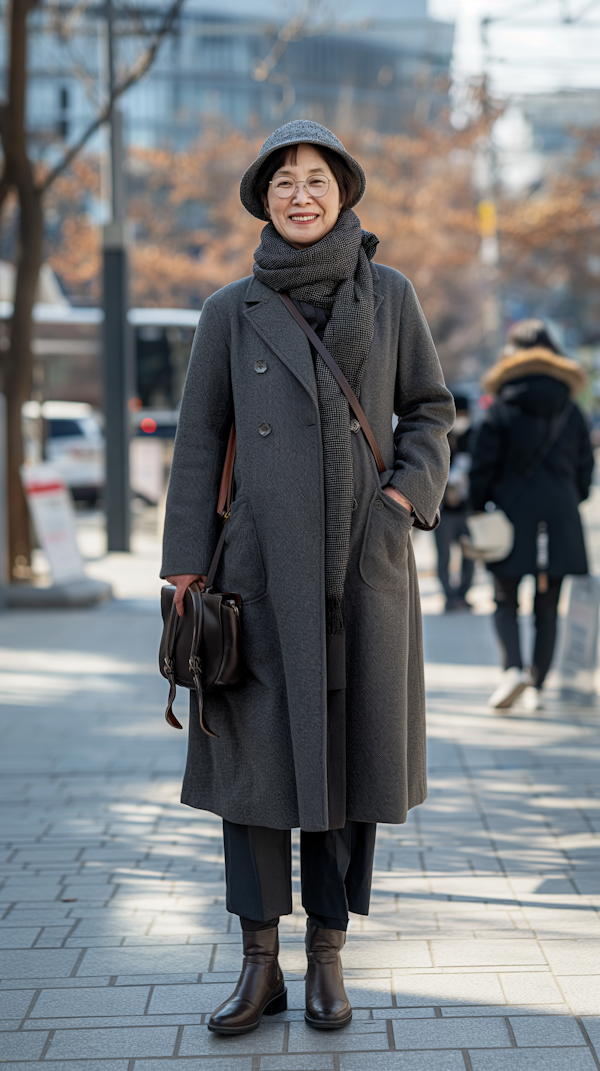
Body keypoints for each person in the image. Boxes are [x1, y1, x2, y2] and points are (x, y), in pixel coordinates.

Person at [161, 121, 454, 1035]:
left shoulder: (392, 296)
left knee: (344, 762)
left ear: (344, 192)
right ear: (262, 198)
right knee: (253, 773)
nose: (300, 193)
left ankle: (327, 957)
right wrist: (183, 569)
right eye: (283, 180)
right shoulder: (228, 309)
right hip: (252, 573)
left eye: (317, 179)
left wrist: (404, 499)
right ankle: (259, 966)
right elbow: (200, 437)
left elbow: (431, 410)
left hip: (360, 568)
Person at [470, 319, 593, 712]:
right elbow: (585, 467)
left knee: (505, 597)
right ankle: (537, 686)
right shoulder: (571, 407)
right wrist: (573, 496)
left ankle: (512, 670)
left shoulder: (502, 406)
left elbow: (482, 466)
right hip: (560, 515)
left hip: (511, 515)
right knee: (547, 603)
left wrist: (479, 506)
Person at [434, 393, 474, 611]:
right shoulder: (440, 435)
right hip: (443, 511)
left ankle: (463, 594)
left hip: (467, 508)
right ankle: (449, 596)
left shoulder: (475, 437)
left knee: (470, 555)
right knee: (444, 556)